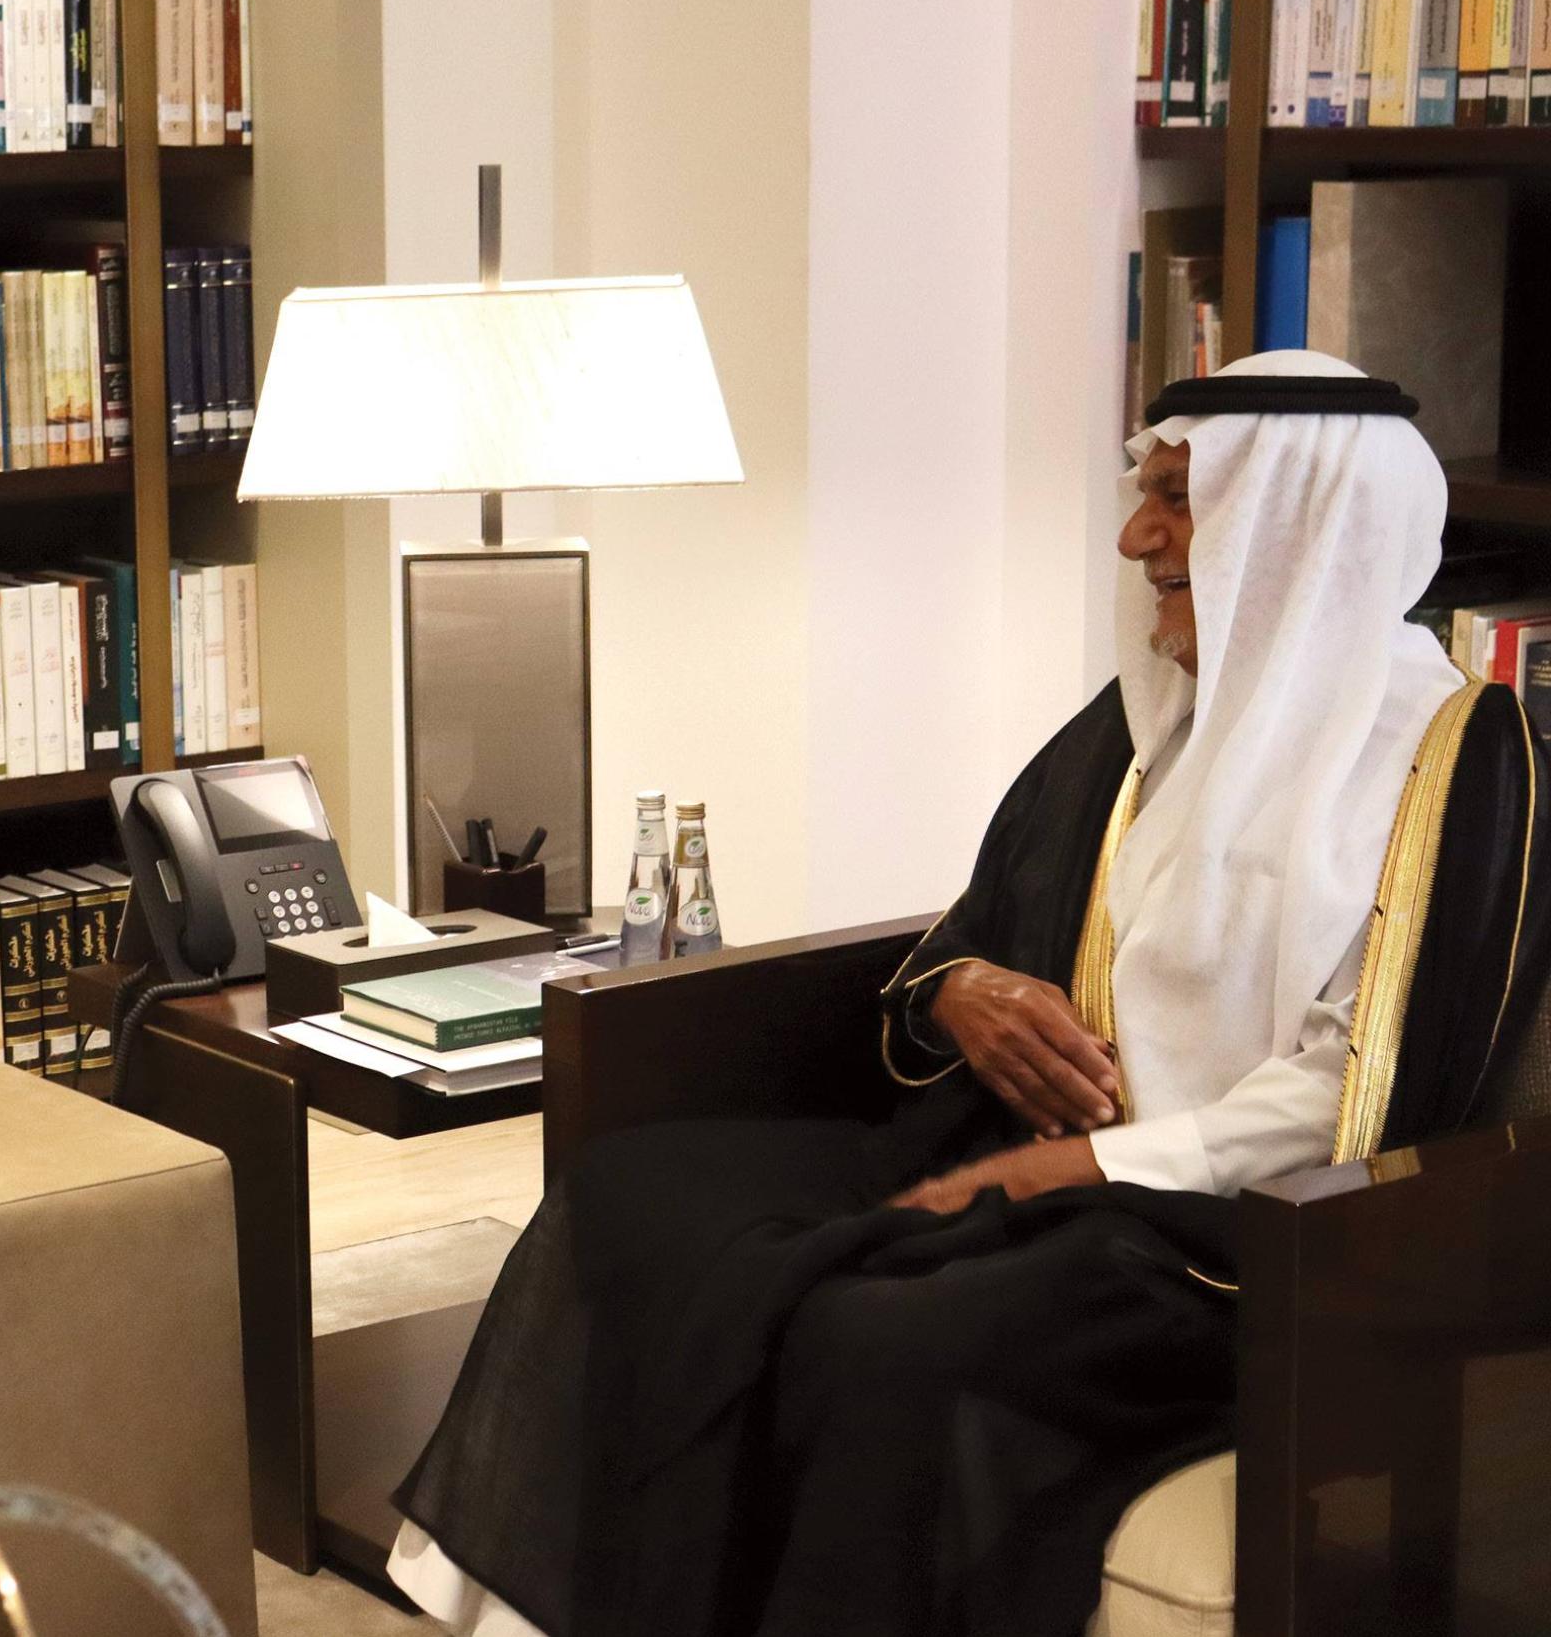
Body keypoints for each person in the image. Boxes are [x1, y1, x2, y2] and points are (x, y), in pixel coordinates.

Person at [387, 352, 1551, 1637]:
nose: (1134, 537)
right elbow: (971, 927)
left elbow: (1358, 1087)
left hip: (1230, 1246)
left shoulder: (1456, 760)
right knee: (632, 1194)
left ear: (1297, 518)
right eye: (1144, 495)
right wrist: (964, 993)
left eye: (1178, 500)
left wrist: (1077, 1169)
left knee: (877, 1337)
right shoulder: (1147, 714)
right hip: (1020, 1151)